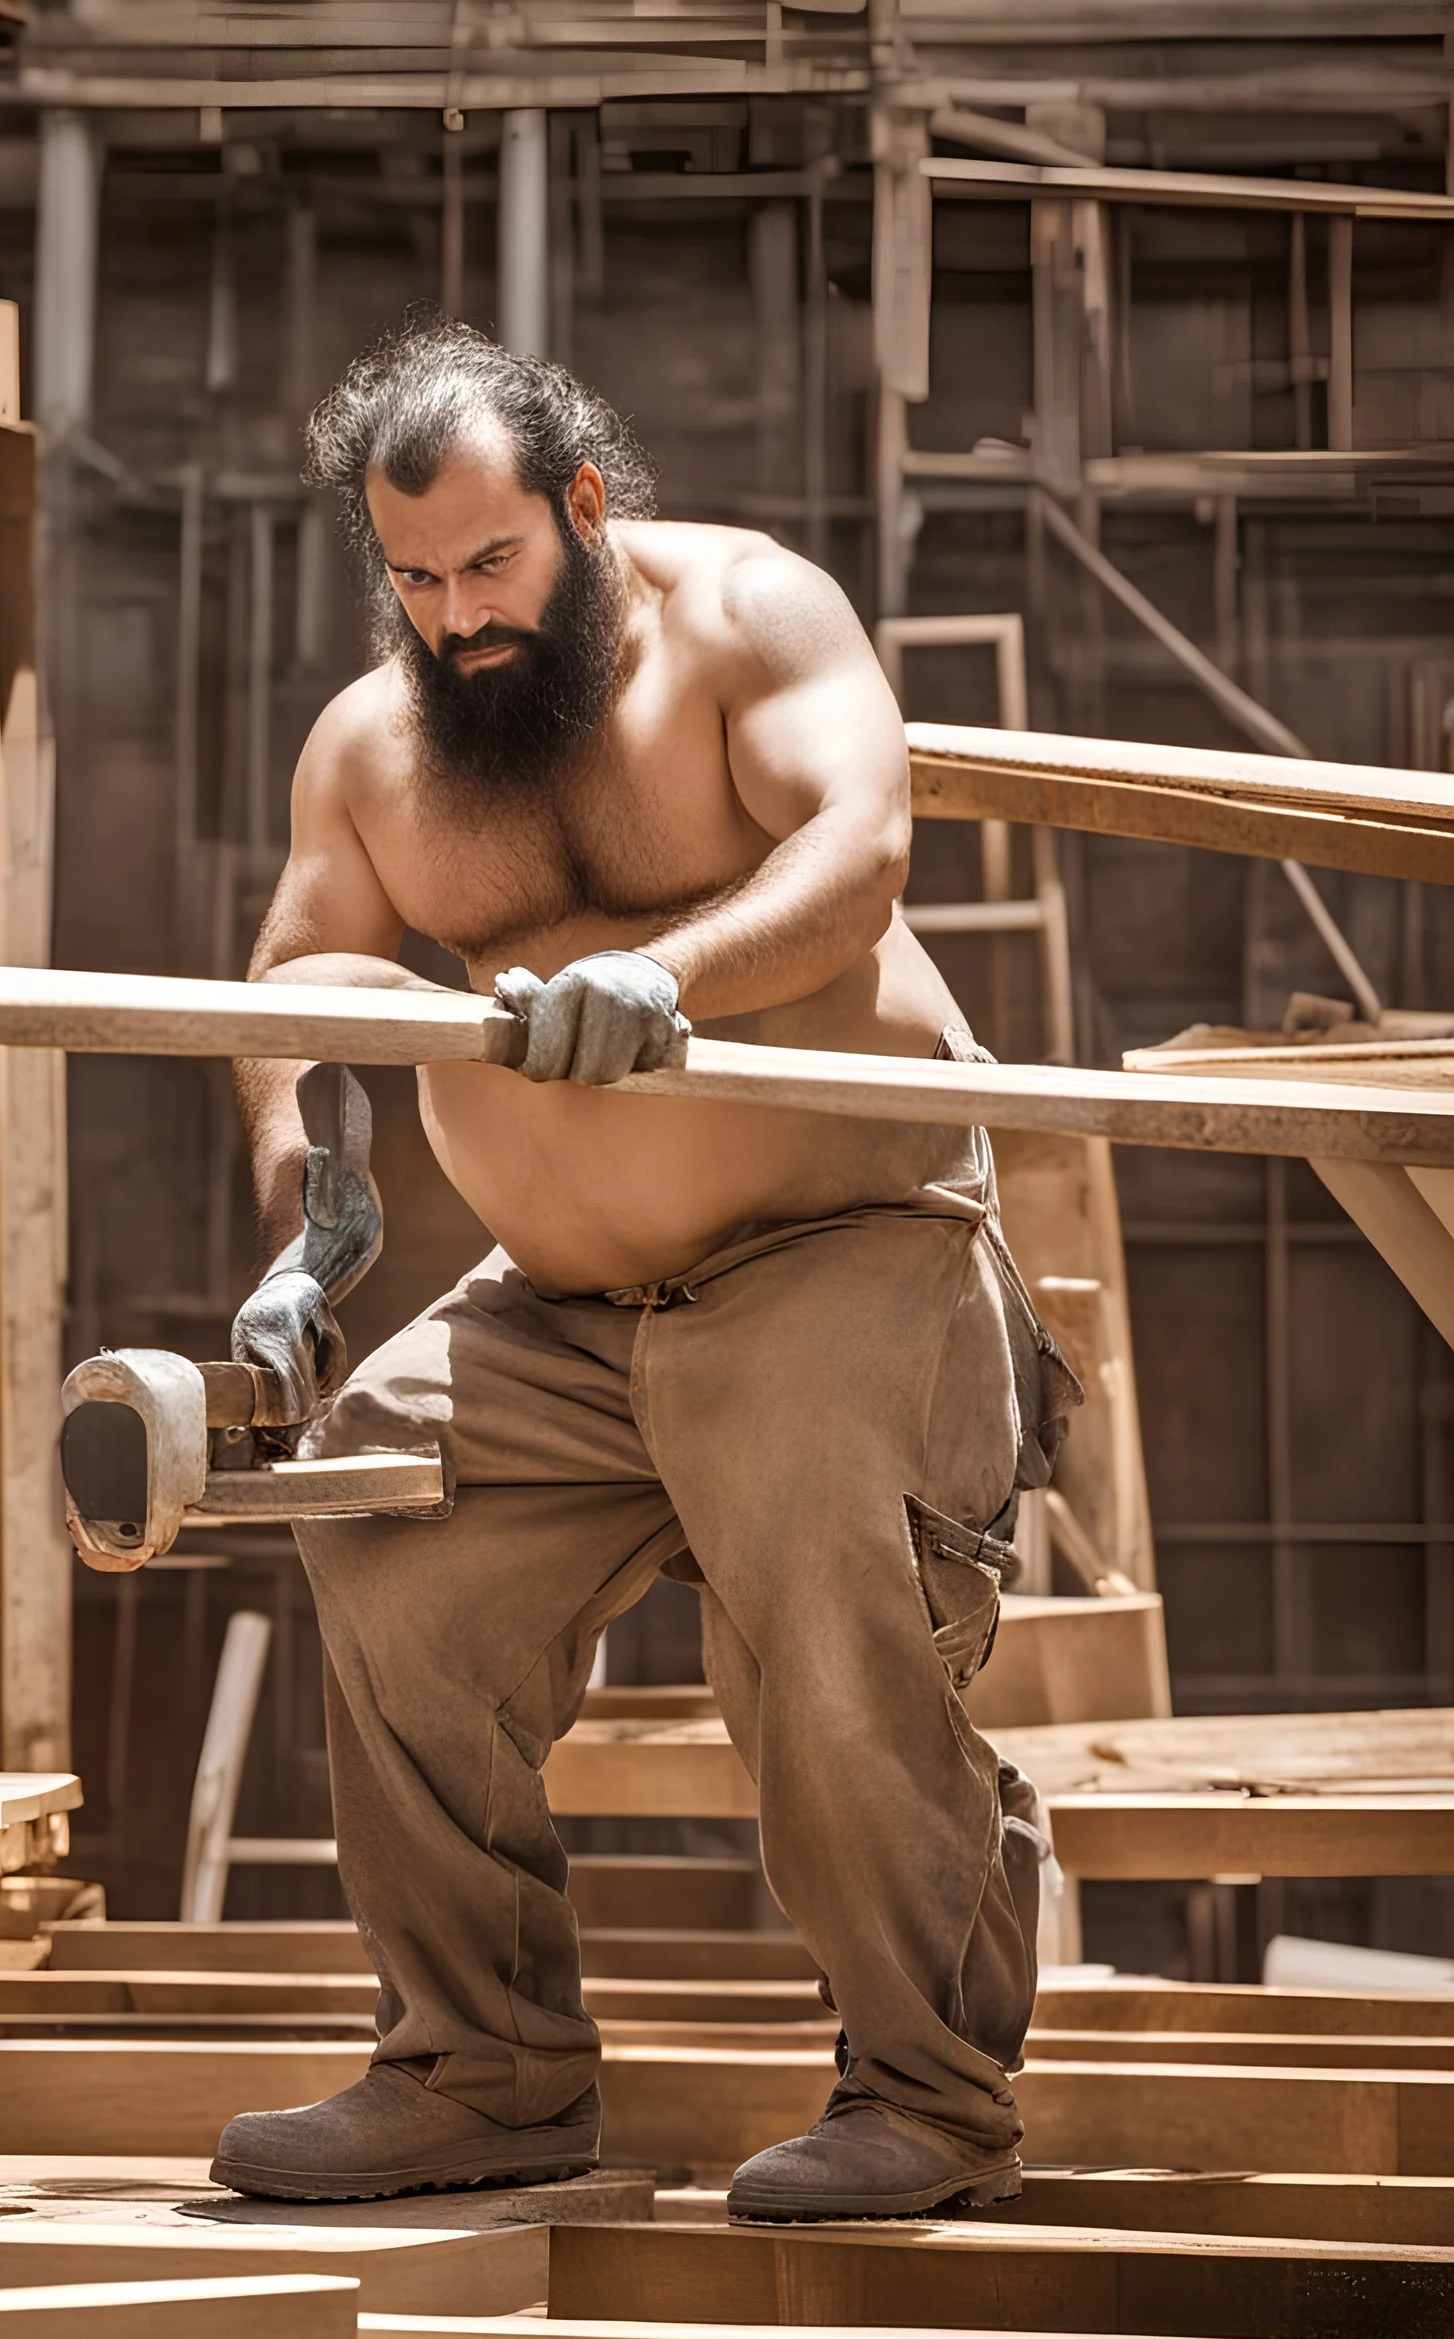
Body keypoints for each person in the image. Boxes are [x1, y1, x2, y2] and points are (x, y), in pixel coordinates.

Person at [210, 312, 1077, 2220]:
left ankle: (928, 2099)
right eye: (417, 577)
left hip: (842, 1242)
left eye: (495, 560)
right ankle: (483, 2071)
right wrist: (306, 1199)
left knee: (831, 1603)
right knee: (382, 1510)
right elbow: (297, 976)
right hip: (563, 1301)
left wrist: (669, 973)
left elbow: (862, 845)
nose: (458, 617)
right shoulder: (376, 747)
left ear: (585, 504)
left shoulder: (753, 617)